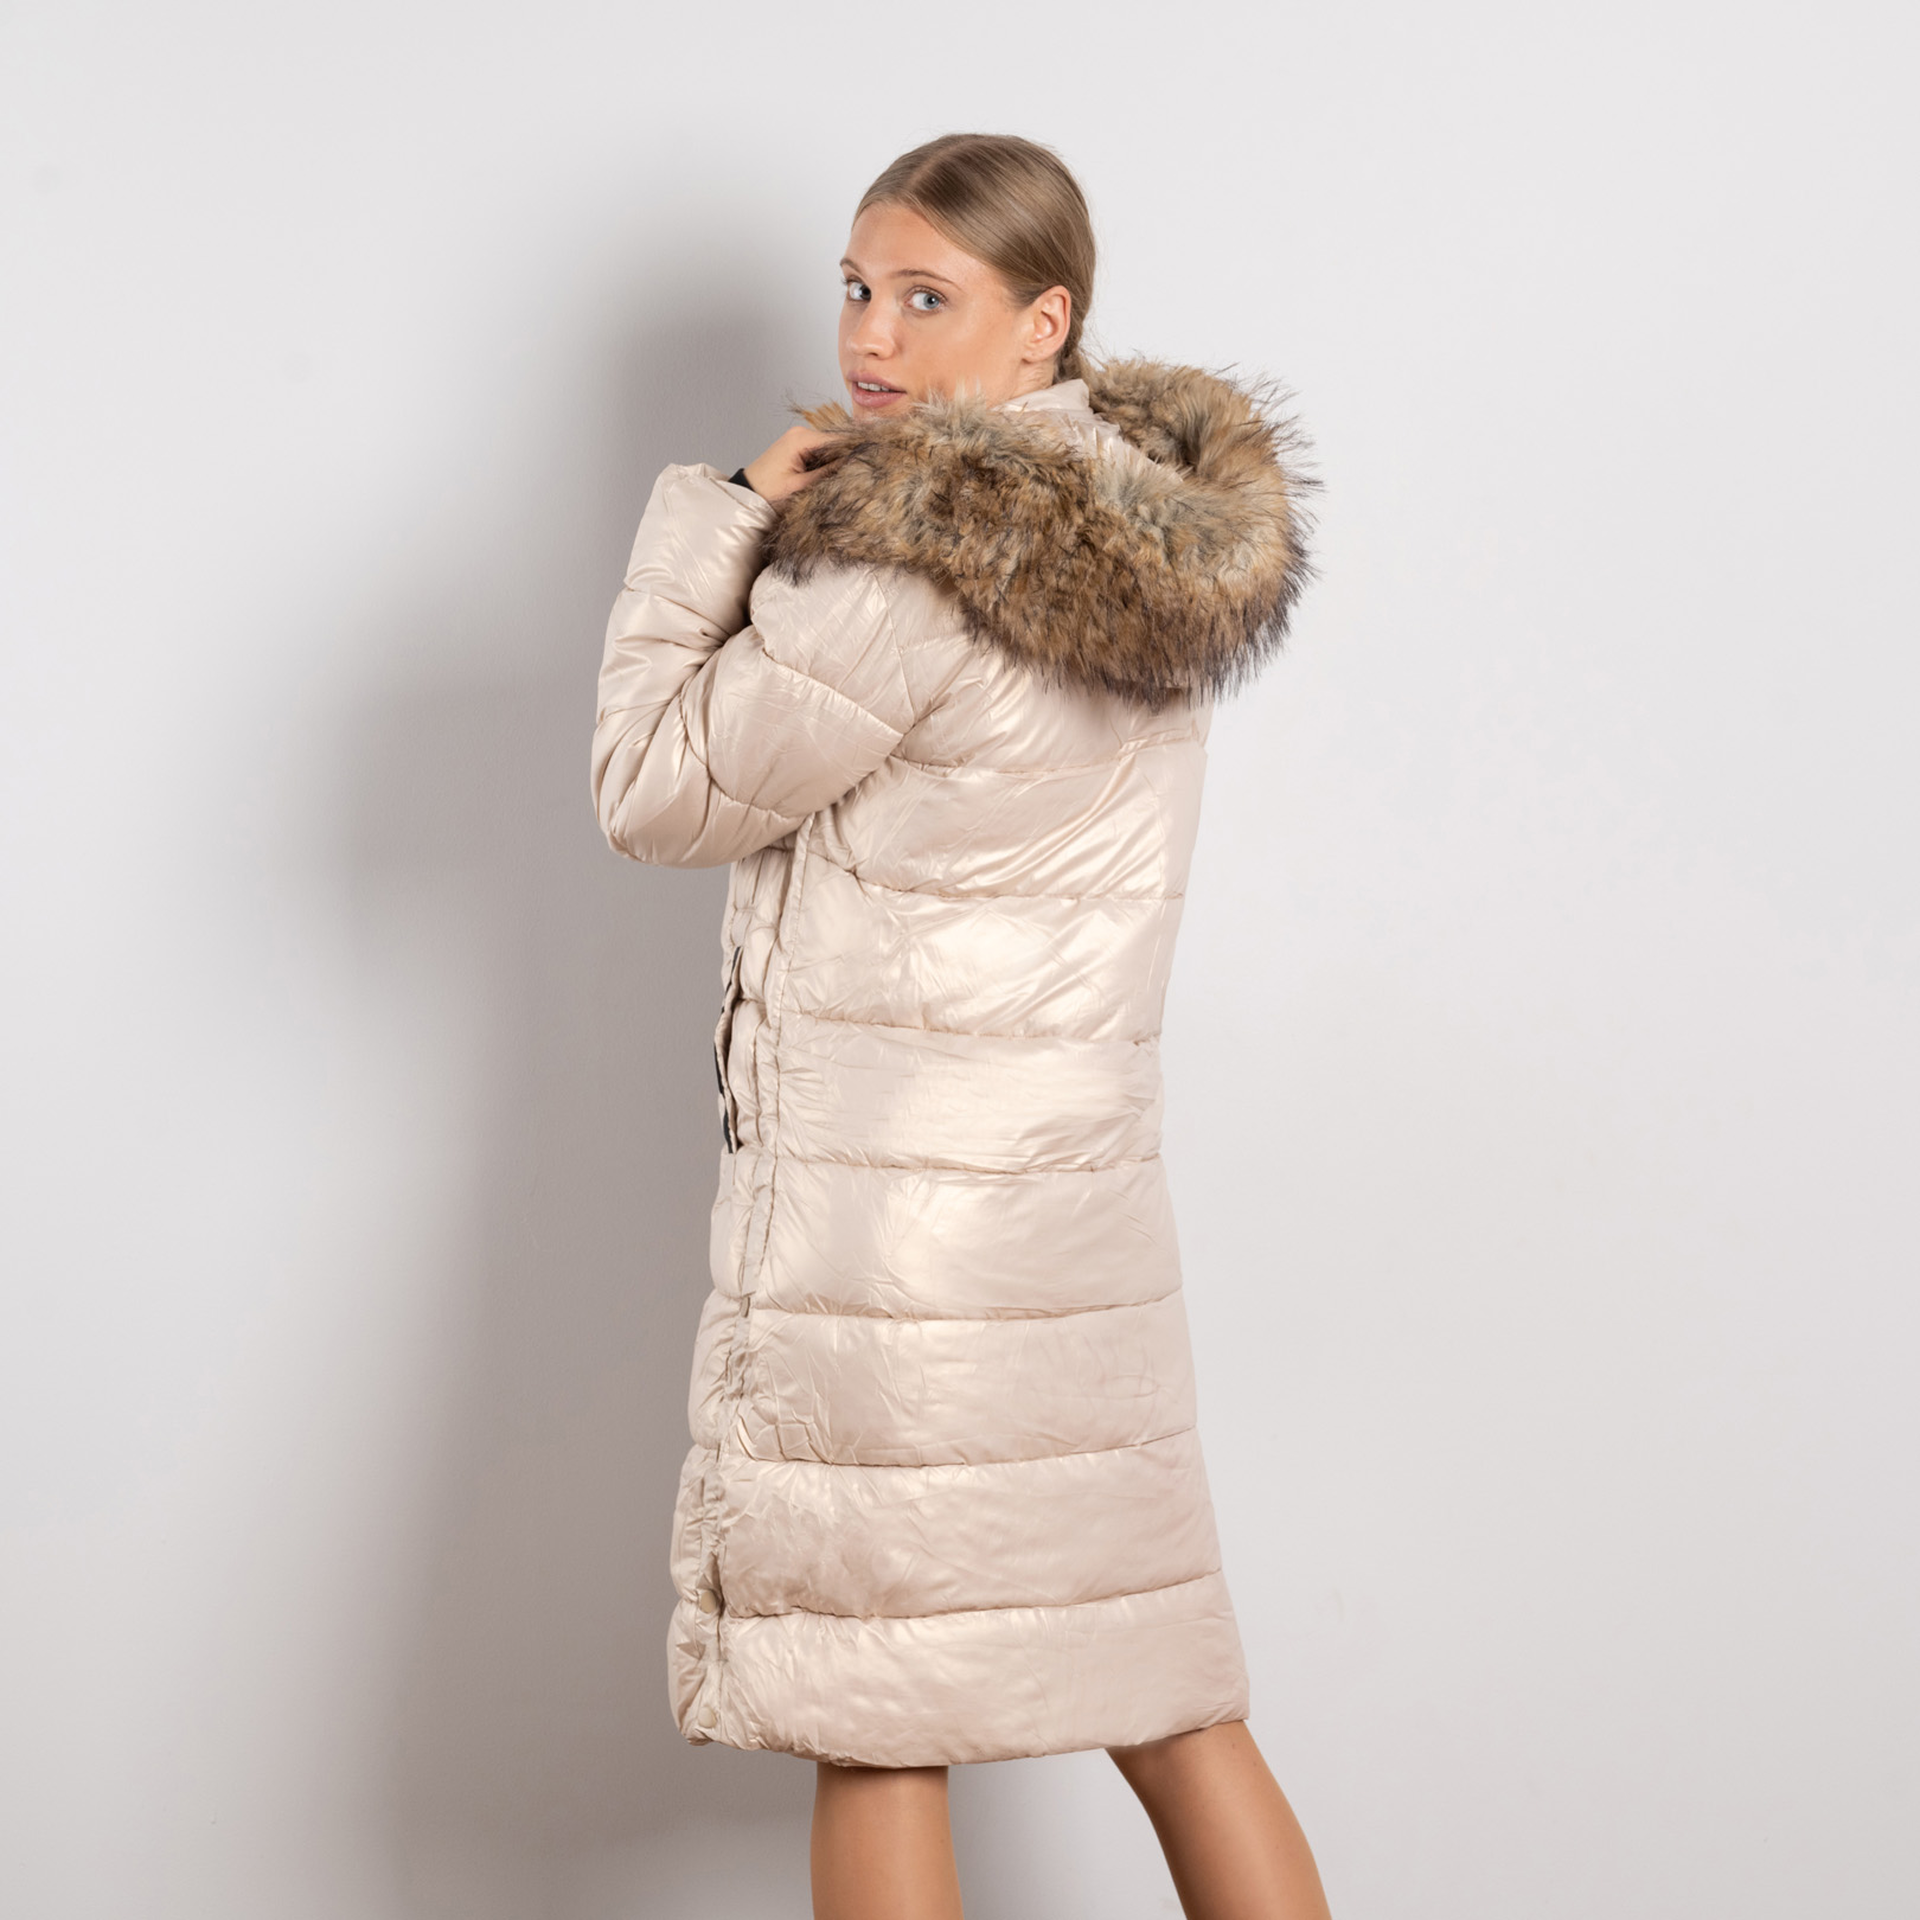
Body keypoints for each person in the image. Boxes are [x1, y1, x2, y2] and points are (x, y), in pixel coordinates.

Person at [591, 132, 1328, 1920]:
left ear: (1042, 323)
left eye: (929, 297)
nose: (873, 336)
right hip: (1075, 1223)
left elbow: (655, 788)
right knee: (1169, 1696)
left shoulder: (905, 564)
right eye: (857, 288)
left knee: (876, 1720)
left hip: (897, 1248)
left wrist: (720, 513)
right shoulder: (1155, 549)